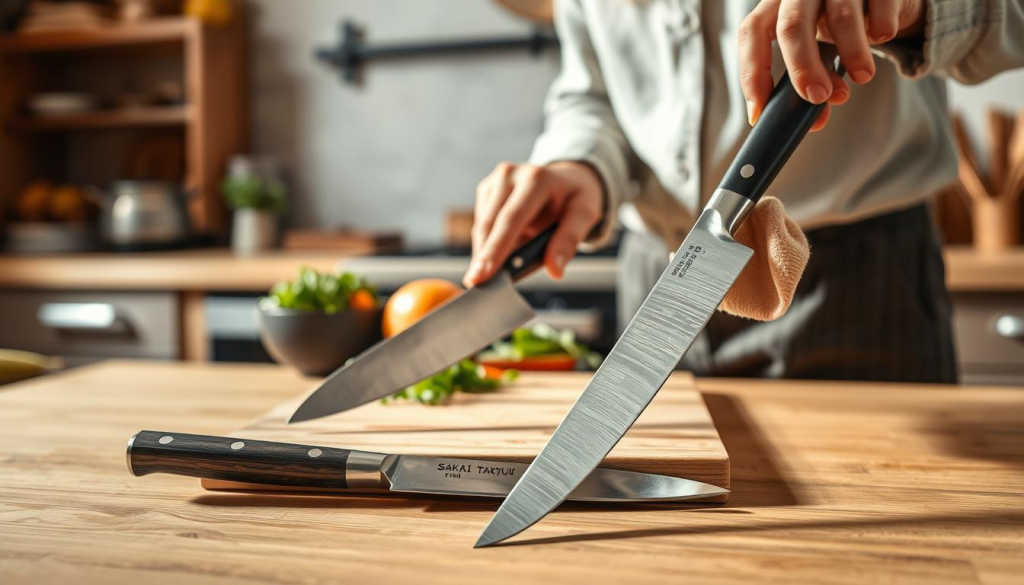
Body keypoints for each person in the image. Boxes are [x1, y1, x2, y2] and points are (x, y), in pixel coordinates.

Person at [463, 0, 1024, 384]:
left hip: (857, 286)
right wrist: (579, 164)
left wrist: (913, 9)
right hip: (657, 277)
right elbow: (592, 91)